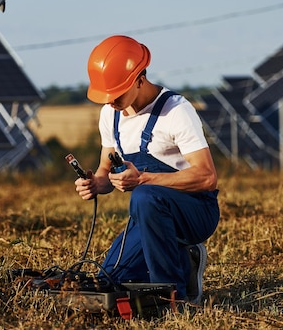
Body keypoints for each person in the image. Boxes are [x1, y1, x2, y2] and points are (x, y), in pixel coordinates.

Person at [74, 35, 220, 303]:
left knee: (144, 195)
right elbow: (106, 172)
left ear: (139, 80)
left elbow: (207, 177)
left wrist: (142, 178)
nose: (110, 102)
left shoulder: (176, 111)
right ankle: (184, 258)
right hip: (150, 215)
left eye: (116, 94)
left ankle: (172, 297)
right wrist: (95, 183)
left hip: (196, 211)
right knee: (111, 279)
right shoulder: (110, 114)